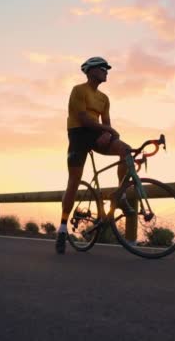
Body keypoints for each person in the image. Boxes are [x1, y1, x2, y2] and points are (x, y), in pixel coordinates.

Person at [55, 56, 134, 254]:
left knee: (126, 151)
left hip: (97, 133)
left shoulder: (104, 98)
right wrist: (107, 130)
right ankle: (63, 229)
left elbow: (106, 121)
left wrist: (107, 133)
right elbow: (83, 118)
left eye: (107, 69)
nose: (106, 71)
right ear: (90, 71)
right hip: (78, 134)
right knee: (74, 181)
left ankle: (120, 194)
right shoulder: (78, 90)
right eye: (102, 68)